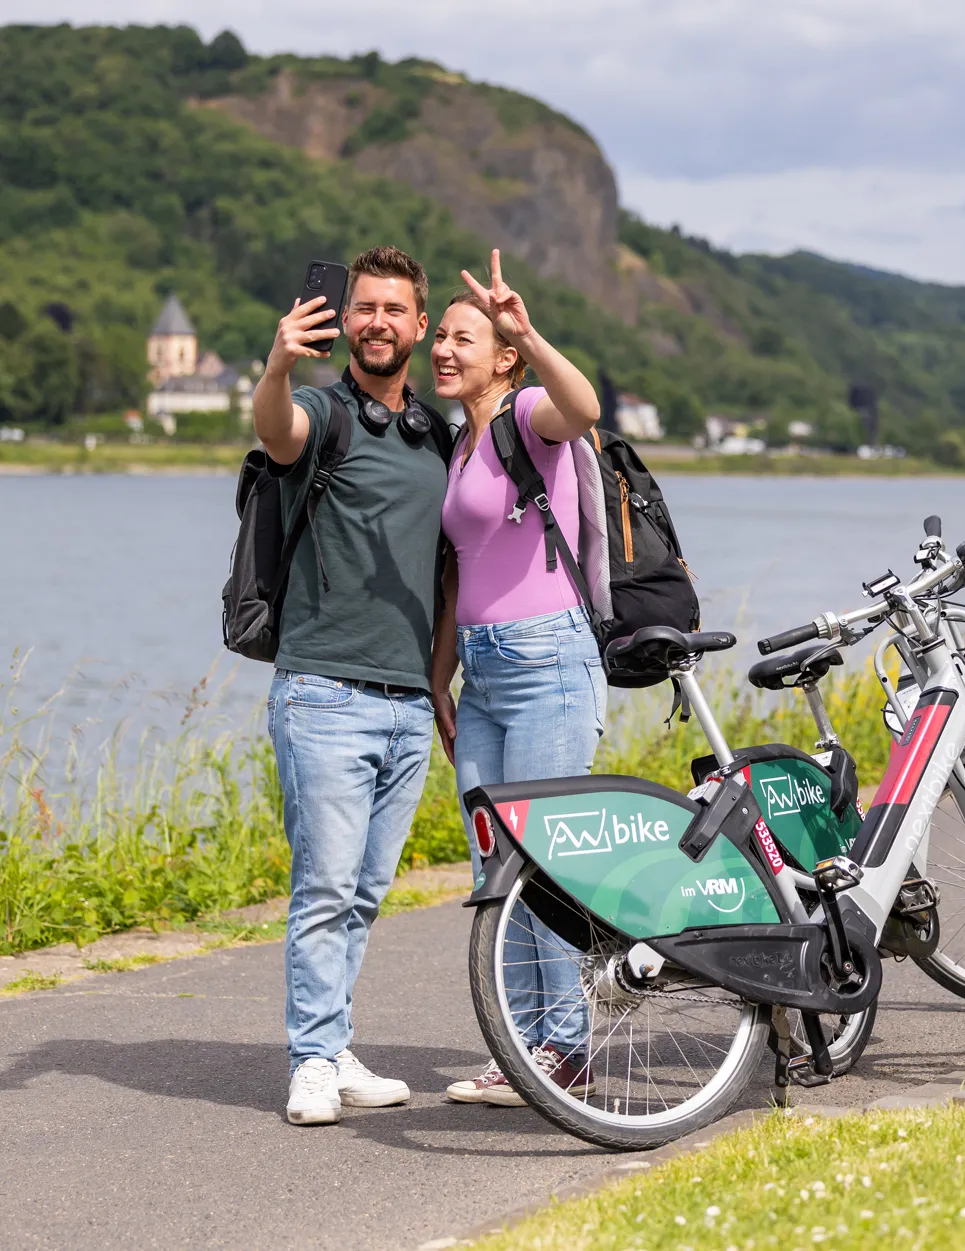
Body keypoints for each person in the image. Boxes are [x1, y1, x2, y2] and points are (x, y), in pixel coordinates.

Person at [252, 246, 449, 1126]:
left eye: (393, 309)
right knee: (325, 890)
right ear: (349, 318)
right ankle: (309, 1062)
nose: (375, 321)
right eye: (363, 307)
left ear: (419, 325)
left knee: (364, 895)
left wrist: (440, 684)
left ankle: (333, 1045)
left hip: (408, 702)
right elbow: (274, 432)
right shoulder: (321, 413)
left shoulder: (437, 436)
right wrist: (278, 363)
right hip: (324, 692)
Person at [430, 250, 605, 1106]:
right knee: (494, 869)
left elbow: (585, 407)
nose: (440, 348)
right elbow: (460, 571)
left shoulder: (527, 414)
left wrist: (528, 333)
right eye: (438, 336)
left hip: (548, 664)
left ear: (502, 358)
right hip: (484, 675)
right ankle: (522, 1048)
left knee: (544, 863)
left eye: (460, 338)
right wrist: (440, 677)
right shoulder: (461, 442)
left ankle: (566, 1049)